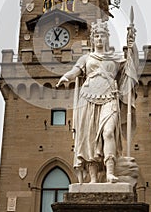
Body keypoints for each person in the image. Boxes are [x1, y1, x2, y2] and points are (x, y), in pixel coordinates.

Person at [56, 19, 138, 184]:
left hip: (109, 97)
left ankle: (110, 173)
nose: (99, 39)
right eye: (97, 36)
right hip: (88, 98)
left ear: (107, 38)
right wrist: (65, 77)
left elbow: (130, 66)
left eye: (102, 36)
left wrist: (132, 46)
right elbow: (75, 71)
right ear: (93, 39)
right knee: (90, 138)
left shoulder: (115, 58)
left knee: (108, 132)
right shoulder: (87, 58)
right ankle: (93, 178)